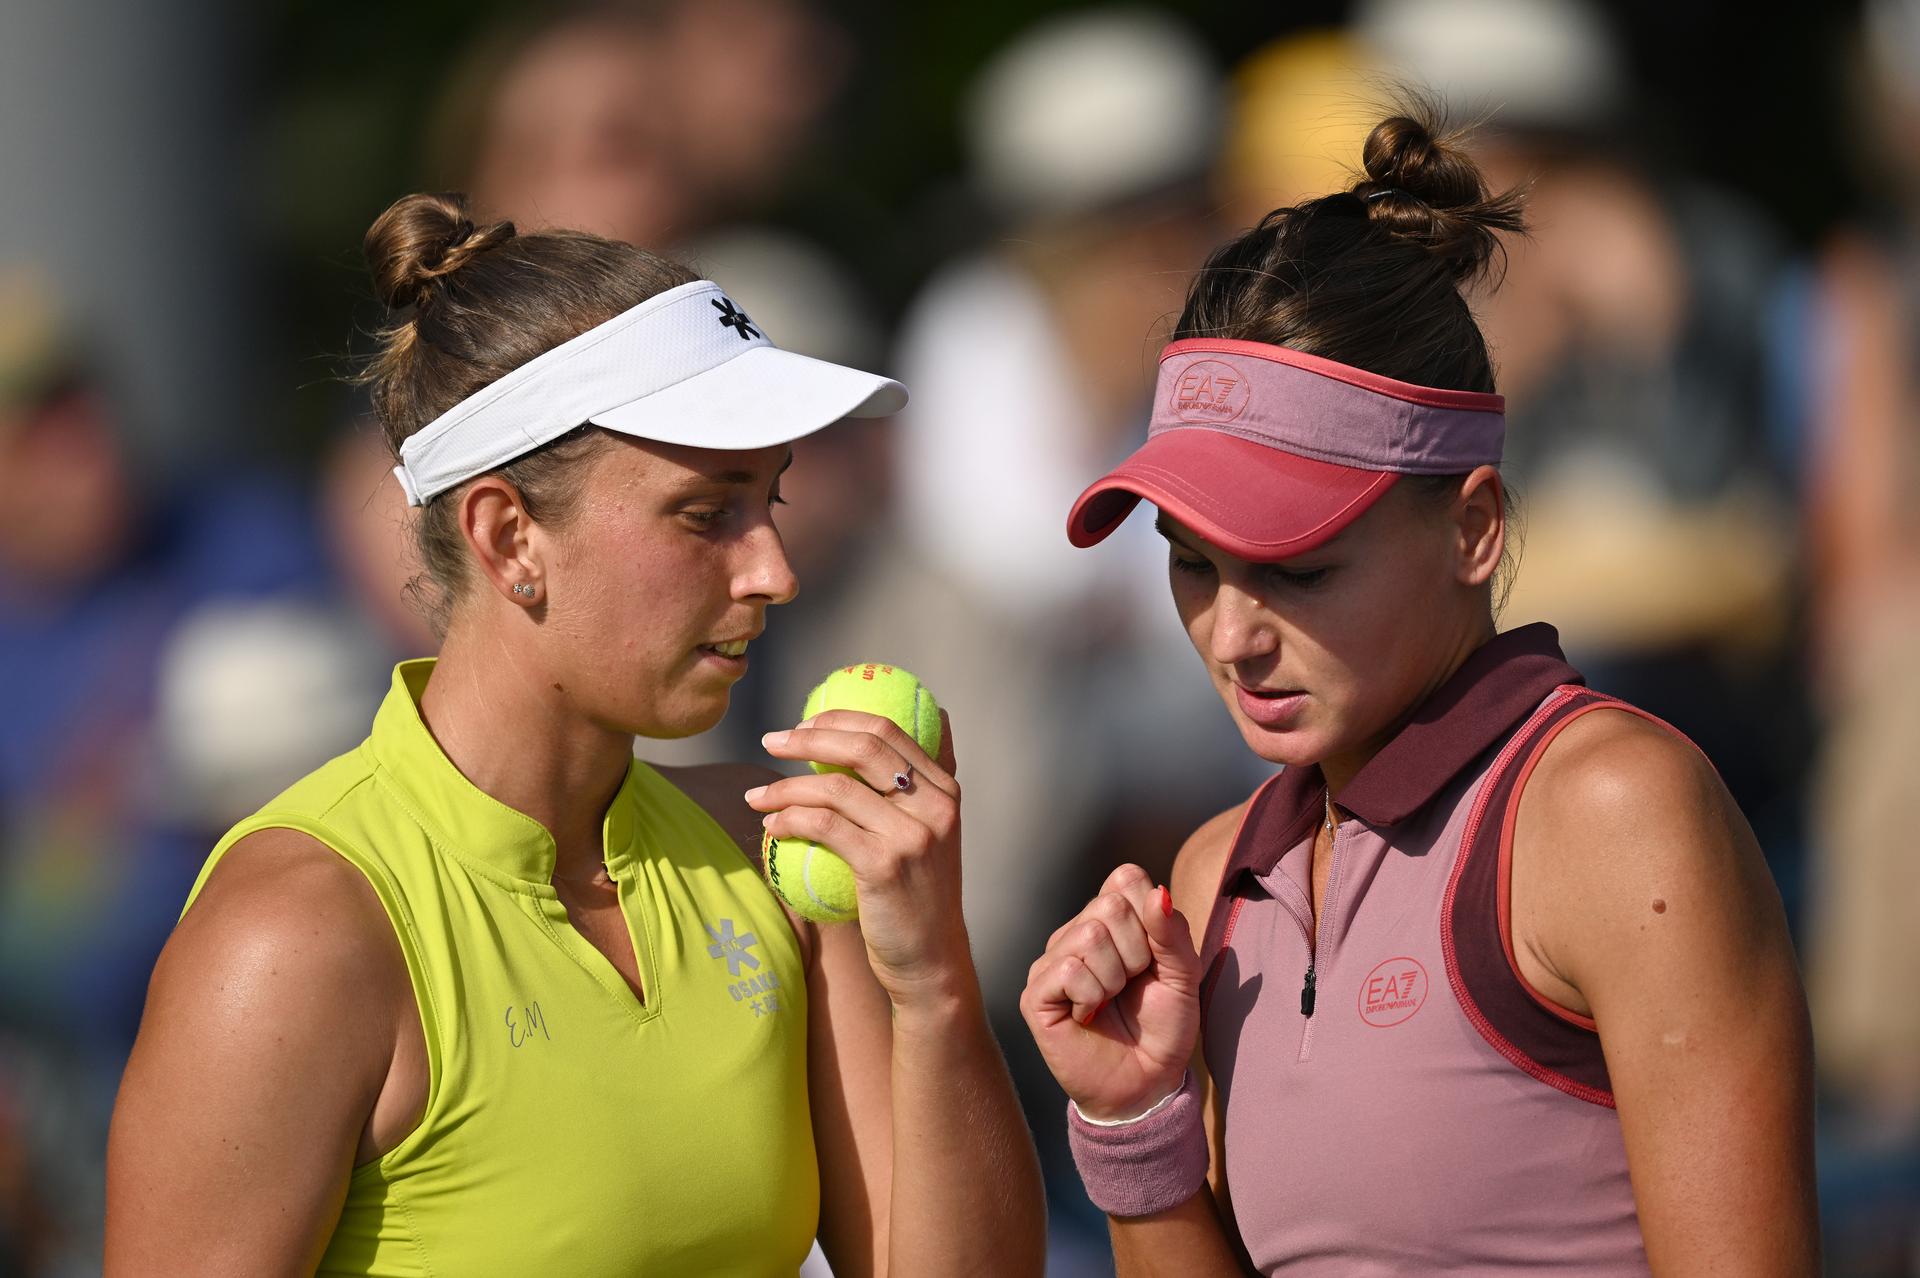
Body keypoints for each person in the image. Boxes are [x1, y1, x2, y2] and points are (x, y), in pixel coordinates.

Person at [104, 193, 1045, 1276]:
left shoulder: (783, 859)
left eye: (770, 504)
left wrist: (932, 983)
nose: (772, 572)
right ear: (510, 538)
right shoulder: (295, 935)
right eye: (706, 513)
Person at [1019, 110, 1818, 1275]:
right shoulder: (1212, 874)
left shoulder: (1615, 812)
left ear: (1474, 529)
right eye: (1193, 563)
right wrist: (1132, 1120)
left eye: (1302, 568)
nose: (1234, 636)